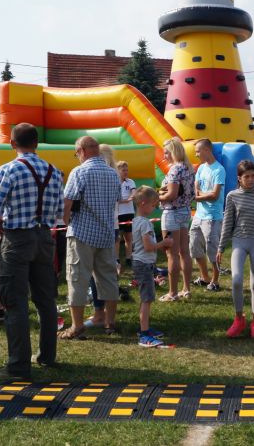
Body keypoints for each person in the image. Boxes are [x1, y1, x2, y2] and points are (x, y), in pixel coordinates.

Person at [0, 123, 64, 381]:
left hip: (17, 239)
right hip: (44, 237)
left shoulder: (8, 170)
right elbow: (59, 211)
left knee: (14, 301)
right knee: (45, 300)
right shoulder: (54, 171)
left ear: (12, 144)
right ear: (36, 143)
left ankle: (17, 367)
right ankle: (47, 356)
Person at [60, 136, 121, 339]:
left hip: (82, 233)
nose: (77, 156)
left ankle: (77, 326)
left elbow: (67, 202)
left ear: (83, 151)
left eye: (76, 153)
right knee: (108, 279)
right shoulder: (113, 173)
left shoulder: (79, 172)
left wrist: (66, 221)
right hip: (106, 233)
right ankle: (110, 322)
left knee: (77, 278)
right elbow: (117, 200)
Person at [217, 161, 254, 338]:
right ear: (239, 178)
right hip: (239, 241)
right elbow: (227, 223)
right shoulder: (232, 196)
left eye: (253, 176)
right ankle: (239, 319)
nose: (251, 179)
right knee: (236, 280)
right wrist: (221, 247)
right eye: (247, 176)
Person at [131, 186, 173, 347]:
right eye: (153, 205)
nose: (154, 208)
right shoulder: (145, 224)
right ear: (143, 203)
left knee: (146, 297)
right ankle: (144, 335)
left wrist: (159, 245)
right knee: (147, 299)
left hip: (140, 262)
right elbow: (148, 247)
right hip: (143, 264)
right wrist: (164, 243)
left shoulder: (136, 221)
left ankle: (145, 328)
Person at [158, 138, 196, 301]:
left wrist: (158, 197)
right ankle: (186, 289)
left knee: (171, 254)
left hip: (171, 213)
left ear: (173, 152)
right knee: (184, 252)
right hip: (185, 211)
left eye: (166, 152)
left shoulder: (174, 169)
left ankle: (172, 293)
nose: (164, 156)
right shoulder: (188, 167)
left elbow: (172, 194)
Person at [190, 138, 225, 292]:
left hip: (212, 217)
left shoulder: (219, 170)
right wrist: (203, 194)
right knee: (194, 247)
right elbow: (196, 188)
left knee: (212, 251)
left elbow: (215, 196)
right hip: (198, 216)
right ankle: (204, 277)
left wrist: (198, 196)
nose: (196, 154)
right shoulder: (200, 168)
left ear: (206, 150)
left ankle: (215, 281)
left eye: (198, 151)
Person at [115, 161, 137, 269]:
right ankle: (116, 259)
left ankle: (129, 258)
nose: (126, 172)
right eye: (123, 170)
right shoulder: (114, 182)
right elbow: (115, 199)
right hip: (118, 214)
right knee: (117, 238)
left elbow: (134, 193)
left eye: (127, 170)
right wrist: (124, 200)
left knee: (129, 237)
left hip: (129, 213)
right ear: (118, 171)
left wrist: (131, 197)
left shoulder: (130, 181)